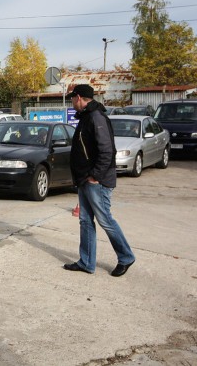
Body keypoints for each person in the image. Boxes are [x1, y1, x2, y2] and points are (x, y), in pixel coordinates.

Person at [63, 84, 136, 277]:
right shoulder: (87, 117)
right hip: (85, 179)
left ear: (78, 98)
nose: (71, 102)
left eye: (72, 99)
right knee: (85, 221)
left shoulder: (96, 117)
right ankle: (87, 262)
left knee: (105, 220)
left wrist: (95, 175)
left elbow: (107, 151)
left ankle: (126, 257)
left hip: (97, 181)